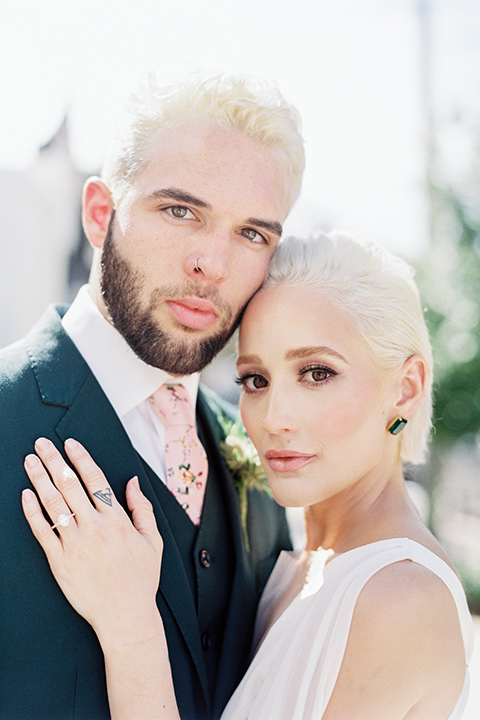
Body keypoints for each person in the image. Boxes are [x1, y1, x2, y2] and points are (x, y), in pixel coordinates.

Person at [22, 230, 474, 719]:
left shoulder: (400, 601)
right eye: (255, 380)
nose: (273, 417)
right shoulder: (299, 567)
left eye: (317, 373)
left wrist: (131, 628)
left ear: (405, 390)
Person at [0, 72, 306, 720]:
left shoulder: (259, 454)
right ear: (100, 214)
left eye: (252, 233)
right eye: (180, 211)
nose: (212, 263)